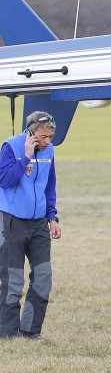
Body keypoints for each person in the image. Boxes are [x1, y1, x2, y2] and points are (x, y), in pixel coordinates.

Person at [0, 111, 60, 339]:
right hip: (12, 222)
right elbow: (4, 181)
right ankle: (7, 333)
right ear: (31, 133)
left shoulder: (50, 151)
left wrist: (52, 217)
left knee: (43, 277)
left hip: (39, 224)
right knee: (13, 279)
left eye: (51, 137)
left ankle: (30, 332)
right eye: (43, 137)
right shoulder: (11, 147)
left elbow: (49, 186)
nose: (47, 141)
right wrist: (25, 157)